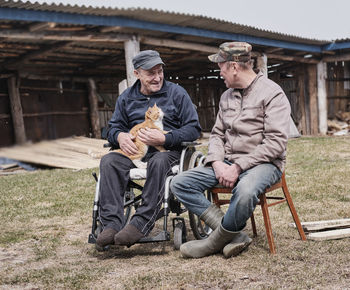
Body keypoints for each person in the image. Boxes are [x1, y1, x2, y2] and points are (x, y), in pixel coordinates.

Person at [170, 42, 291, 258]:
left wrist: (238, 167)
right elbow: (217, 134)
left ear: (234, 66)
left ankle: (212, 242)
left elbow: (275, 143)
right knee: (180, 183)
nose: (220, 73)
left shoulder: (273, 94)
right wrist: (216, 162)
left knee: (245, 191)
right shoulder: (227, 96)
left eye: (221, 67)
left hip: (264, 165)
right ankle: (234, 236)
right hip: (227, 163)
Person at [96, 50, 201, 250]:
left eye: (160, 71)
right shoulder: (126, 98)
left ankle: (140, 223)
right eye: (151, 73)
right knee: (109, 161)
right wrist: (119, 136)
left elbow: (193, 129)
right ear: (137, 74)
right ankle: (110, 225)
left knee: (158, 161)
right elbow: (112, 128)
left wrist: (166, 138)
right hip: (136, 153)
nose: (157, 77)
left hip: (168, 153)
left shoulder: (176, 94)